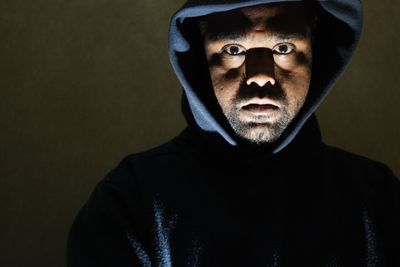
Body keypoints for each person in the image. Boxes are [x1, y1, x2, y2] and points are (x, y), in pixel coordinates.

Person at [67, 0, 400, 266]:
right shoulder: (129, 204)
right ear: (201, 56)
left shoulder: (378, 200)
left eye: (283, 48)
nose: (260, 76)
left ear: (315, 51)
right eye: (233, 50)